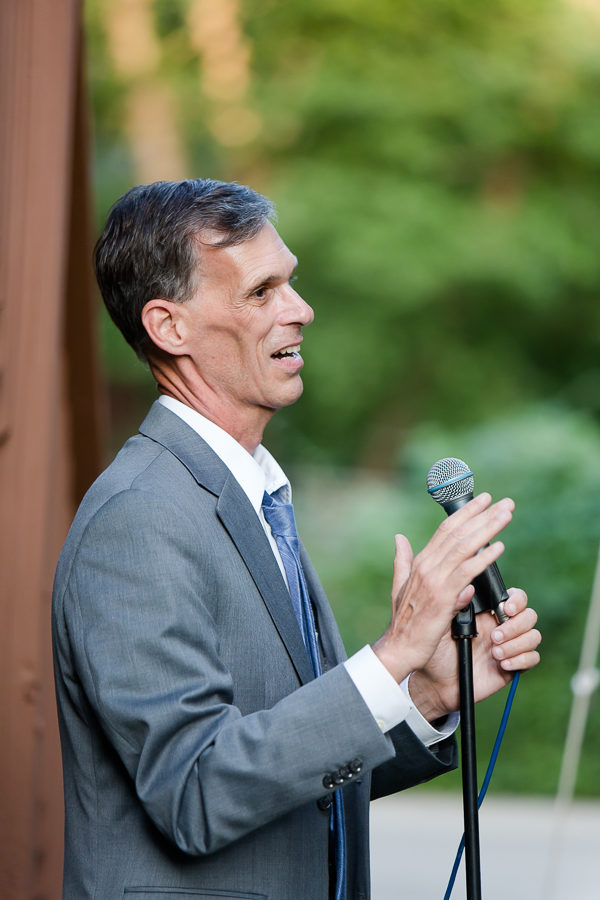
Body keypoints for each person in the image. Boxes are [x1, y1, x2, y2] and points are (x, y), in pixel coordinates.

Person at [52, 178, 541, 900]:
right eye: (262, 291)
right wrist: (392, 653)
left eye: (293, 283)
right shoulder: (139, 516)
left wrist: (428, 694)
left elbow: (294, 788)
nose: (301, 310)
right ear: (169, 326)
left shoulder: (255, 497)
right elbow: (197, 793)